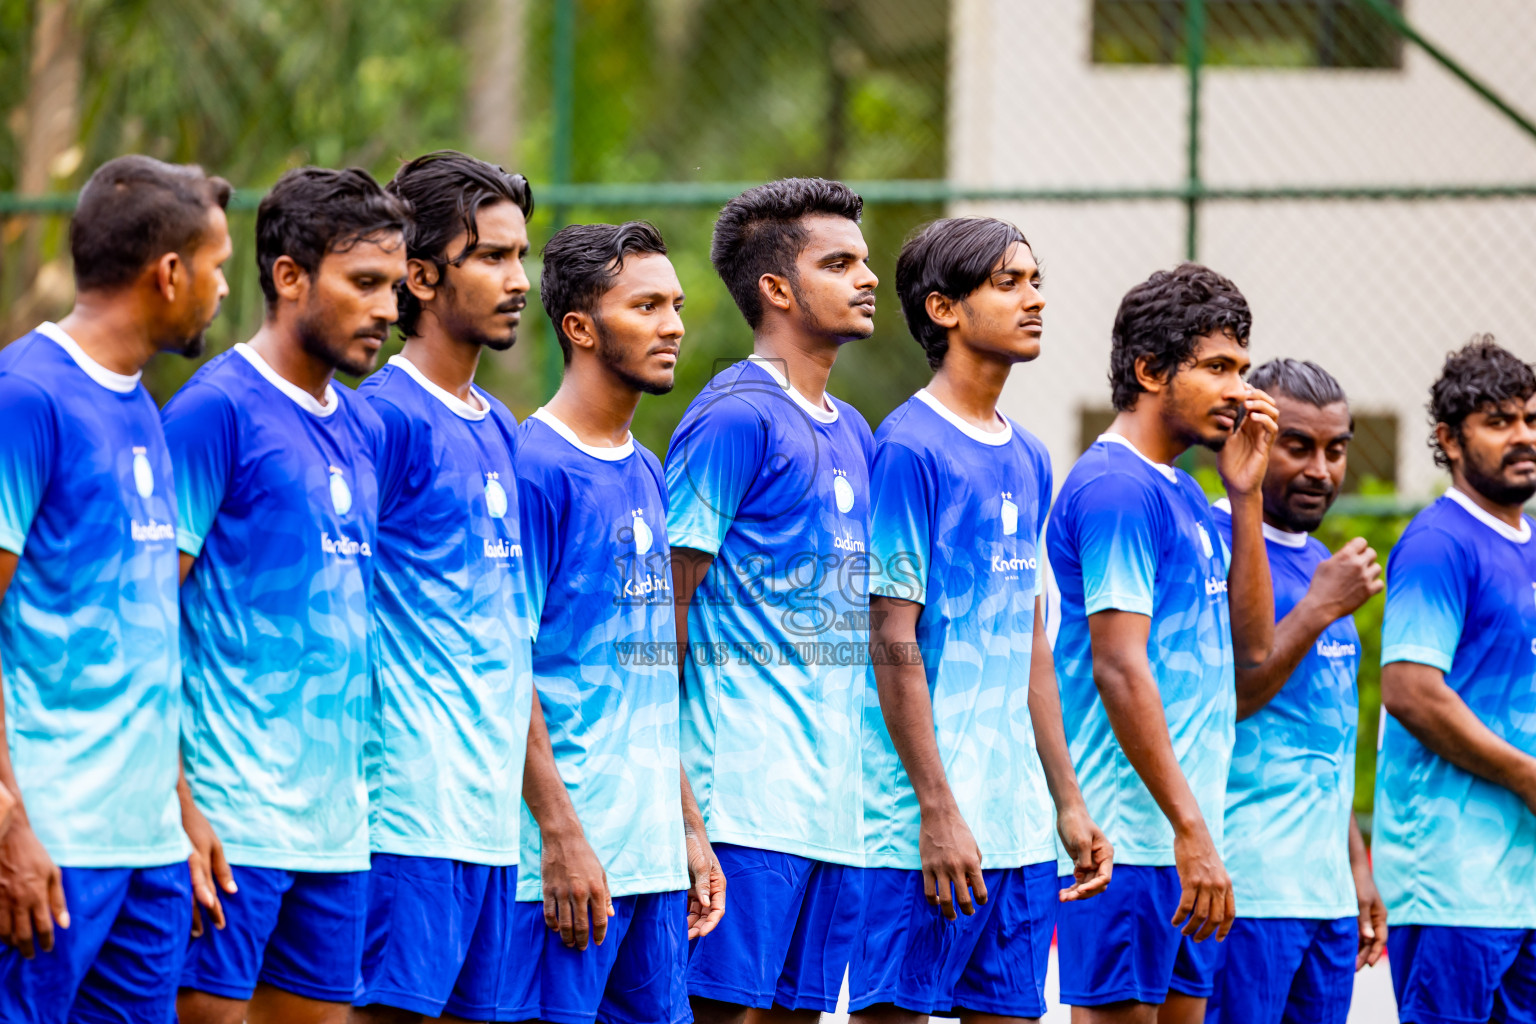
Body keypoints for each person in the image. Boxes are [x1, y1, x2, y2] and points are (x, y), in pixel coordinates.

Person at [848, 217, 1112, 1024]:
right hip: (920, 831)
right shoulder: (908, 447)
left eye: (1035, 281)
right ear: (944, 309)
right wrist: (937, 808)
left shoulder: (1031, 455)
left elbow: (1030, 636)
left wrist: (1066, 800)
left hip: (1018, 830)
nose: (1035, 299)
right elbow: (890, 637)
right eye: (1009, 283)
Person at [167, 167, 409, 1024]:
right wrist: (180, 803)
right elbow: (149, 617)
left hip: (338, 831)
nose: (389, 308)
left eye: (396, 284)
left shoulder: (365, 425)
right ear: (289, 277)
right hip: (229, 826)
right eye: (366, 283)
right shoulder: (214, 412)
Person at [0, 155, 231, 1023]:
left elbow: (144, 633)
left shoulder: (140, 405)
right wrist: (8, 826)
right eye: (213, 269)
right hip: (50, 847)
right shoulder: (26, 397)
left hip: (148, 848)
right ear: (166, 274)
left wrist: (178, 801)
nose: (218, 291)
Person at [666, 177, 877, 1023]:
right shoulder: (732, 417)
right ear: (778, 290)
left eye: (864, 260)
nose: (866, 277)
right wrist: (680, 809)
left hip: (833, 813)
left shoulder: (855, 430)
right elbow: (661, 615)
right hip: (741, 808)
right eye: (840, 263)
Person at [1045, 263, 1278, 1023]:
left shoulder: (1184, 492)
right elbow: (1118, 665)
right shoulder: (1118, 489)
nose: (1240, 390)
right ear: (1149, 370)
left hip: (1182, 842)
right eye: (1218, 368)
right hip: (1131, 843)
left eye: (1242, 369)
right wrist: (1189, 830)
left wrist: (1244, 498)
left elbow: (1252, 649)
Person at [512, 220, 723, 1024]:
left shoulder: (646, 466)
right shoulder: (535, 467)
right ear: (580, 327)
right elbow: (511, 667)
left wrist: (689, 828)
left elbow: (646, 672)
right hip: (564, 871)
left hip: (652, 864)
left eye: (674, 305)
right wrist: (562, 835)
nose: (673, 324)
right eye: (646, 306)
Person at [348, 151, 537, 1023]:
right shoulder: (378, 418)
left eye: (521, 256)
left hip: (493, 832)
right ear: (420, 277)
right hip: (404, 822)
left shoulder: (501, 427)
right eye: (492, 257)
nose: (519, 279)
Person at [1204, 358, 1387, 1024]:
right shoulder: (1211, 542)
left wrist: (1356, 869)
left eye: (1336, 450)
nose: (1321, 470)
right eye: (1299, 446)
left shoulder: (1321, 565)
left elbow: (1326, 745)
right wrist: (1316, 610)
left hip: (1326, 899)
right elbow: (1227, 703)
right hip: (1243, 892)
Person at [1375, 337, 1536, 1024]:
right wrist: (1528, 776)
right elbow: (1411, 688)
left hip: (1521, 884)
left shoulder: (1528, 542)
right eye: (1499, 422)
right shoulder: (1440, 543)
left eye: (1530, 418)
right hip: (1450, 882)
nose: (1523, 436)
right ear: (1449, 438)